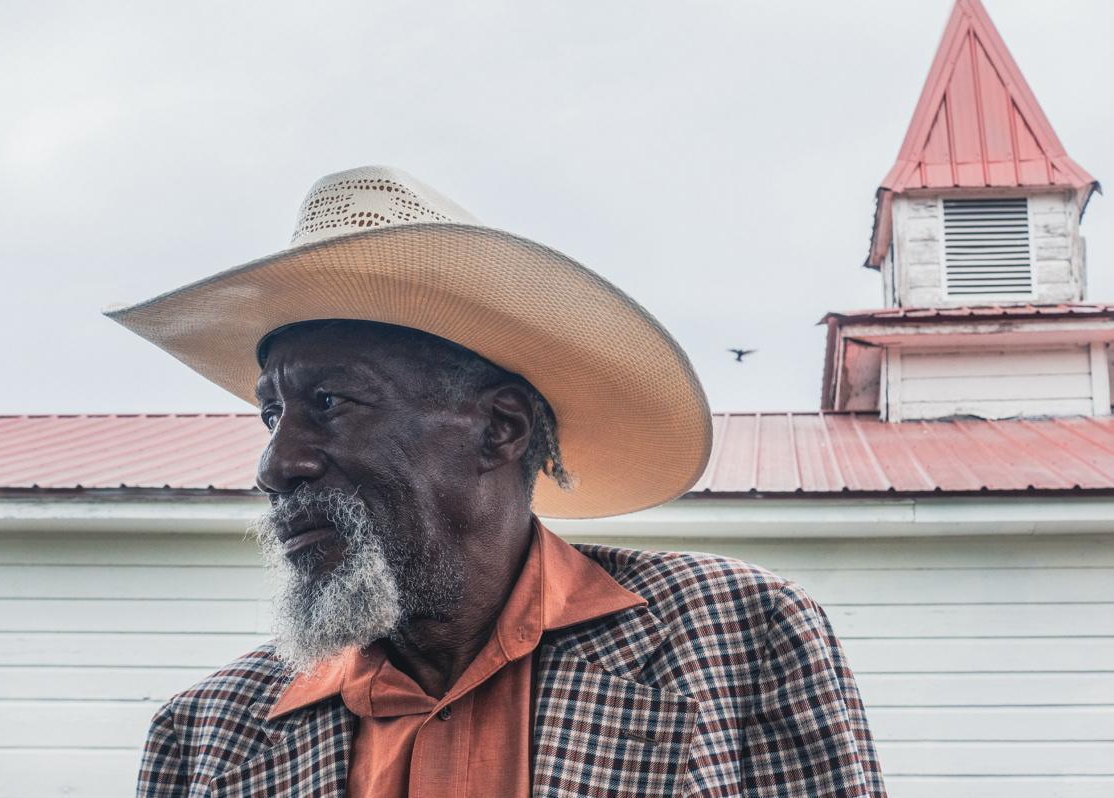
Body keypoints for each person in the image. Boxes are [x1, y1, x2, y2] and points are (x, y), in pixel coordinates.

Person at [109, 166, 885, 797]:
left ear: (500, 429)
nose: (278, 465)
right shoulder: (207, 734)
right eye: (271, 414)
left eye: (329, 402)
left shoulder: (736, 639)